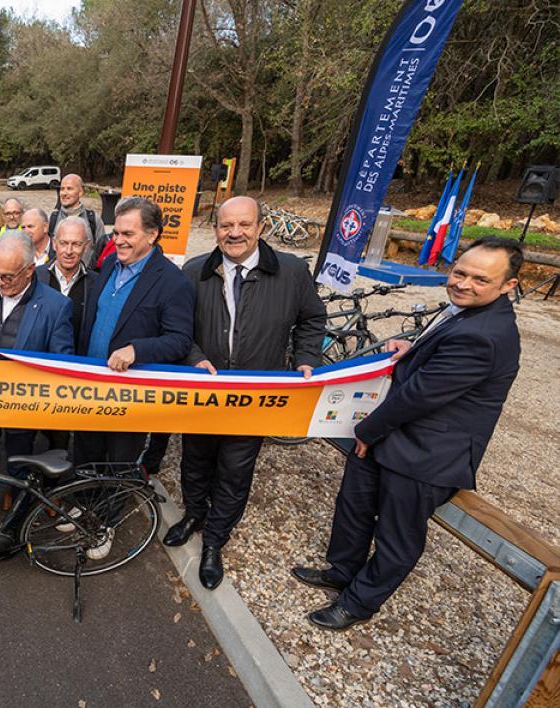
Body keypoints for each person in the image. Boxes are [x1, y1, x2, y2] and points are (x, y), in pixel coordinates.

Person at [293, 237, 522, 630]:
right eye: (459, 272)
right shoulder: (465, 314)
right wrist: (412, 348)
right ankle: (342, 570)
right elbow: (435, 362)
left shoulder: (485, 334)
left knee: (397, 537)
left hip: (426, 455)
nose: (464, 283)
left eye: (480, 279)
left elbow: (420, 395)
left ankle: (359, 603)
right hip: (392, 437)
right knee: (354, 507)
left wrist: (365, 429)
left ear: (508, 286)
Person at [163, 196, 326, 590]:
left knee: (235, 471)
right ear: (216, 228)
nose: (234, 233)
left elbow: (312, 319)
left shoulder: (291, 272)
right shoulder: (194, 272)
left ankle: (215, 541)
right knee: (195, 460)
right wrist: (195, 357)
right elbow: (179, 328)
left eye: (244, 224)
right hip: (203, 393)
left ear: (261, 227)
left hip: (254, 397)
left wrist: (306, 356)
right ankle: (193, 515)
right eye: (225, 225)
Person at [0, 230, 75, 511]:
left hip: (23, 403)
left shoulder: (57, 306)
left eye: (7, 276)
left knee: (18, 460)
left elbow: (62, 361)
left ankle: (17, 514)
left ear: (30, 270)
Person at [76, 197, 195, 466]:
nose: (118, 241)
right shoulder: (108, 266)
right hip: (90, 389)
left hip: (128, 398)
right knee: (85, 458)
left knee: (118, 467)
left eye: (128, 234)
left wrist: (137, 350)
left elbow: (180, 341)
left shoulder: (173, 282)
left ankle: (113, 509)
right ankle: (82, 506)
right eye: (116, 233)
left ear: (152, 235)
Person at [36, 216, 98, 453]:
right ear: (53, 243)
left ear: (87, 245)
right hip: (35, 378)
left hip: (75, 379)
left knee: (62, 441)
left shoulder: (98, 284)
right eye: (64, 243)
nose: (69, 251)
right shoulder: (35, 277)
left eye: (76, 244)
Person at [49, 174, 106, 267]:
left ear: (80, 192)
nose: (64, 193)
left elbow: (102, 253)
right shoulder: (52, 219)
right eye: (62, 189)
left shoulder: (94, 220)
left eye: (69, 189)